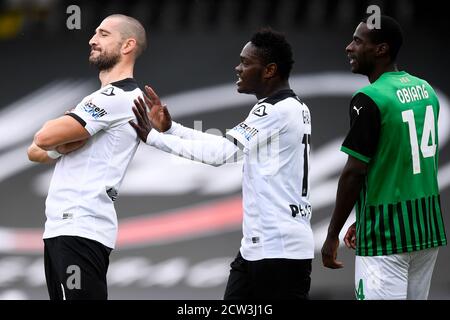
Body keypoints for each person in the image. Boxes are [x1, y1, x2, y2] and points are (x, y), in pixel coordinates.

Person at [130, 29, 314, 299]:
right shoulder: (294, 107)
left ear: (269, 70)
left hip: (278, 251)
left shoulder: (273, 111)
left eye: (246, 62)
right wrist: (171, 129)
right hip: (259, 248)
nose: (238, 68)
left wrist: (154, 138)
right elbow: (225, 144)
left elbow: (221, 154)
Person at [321, 15, 447, 300]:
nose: (348, 47)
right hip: (426, 230)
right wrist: (362, 215)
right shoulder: (426, 91)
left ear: (381, 50)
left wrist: (331, 236)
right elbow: (399, 161)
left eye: (357, 41)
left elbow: (354, 172)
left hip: (385, 236)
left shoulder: (370, 98)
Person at [27, 14, 146, 300]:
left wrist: (58, 135)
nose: (92, 40)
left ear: (128, 45)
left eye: (103, 34)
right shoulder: (98, 98)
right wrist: (62, 144)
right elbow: (34, 152)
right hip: (63, 228)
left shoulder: (118, 97)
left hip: (80, 227)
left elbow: (42, 138)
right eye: (94, 33)